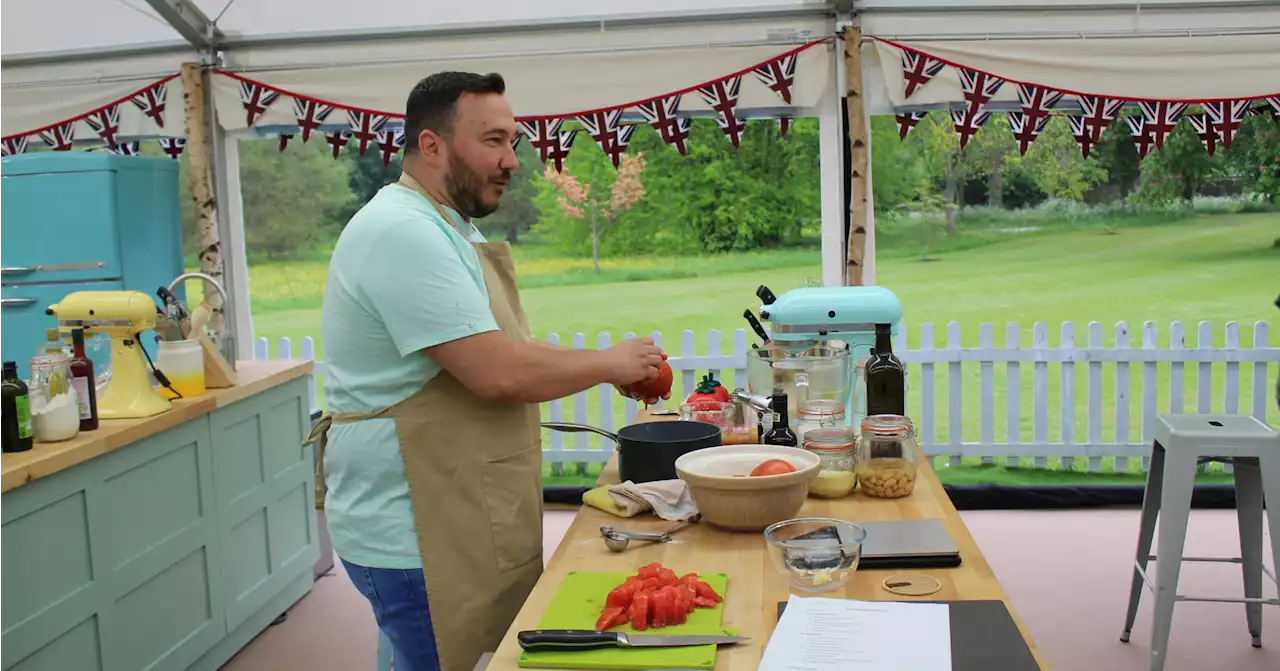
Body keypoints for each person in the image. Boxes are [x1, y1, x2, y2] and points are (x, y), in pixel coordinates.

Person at [307, 71, 670, 671]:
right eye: (493, 142)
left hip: (453, 513)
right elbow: (498, 371)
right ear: (431, 146)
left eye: (514, 144)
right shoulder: (404, 232)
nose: (511, 161)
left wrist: (598, 364)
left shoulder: (447, 228)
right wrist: (610, 363)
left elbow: (500, 347)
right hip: (419, 529)